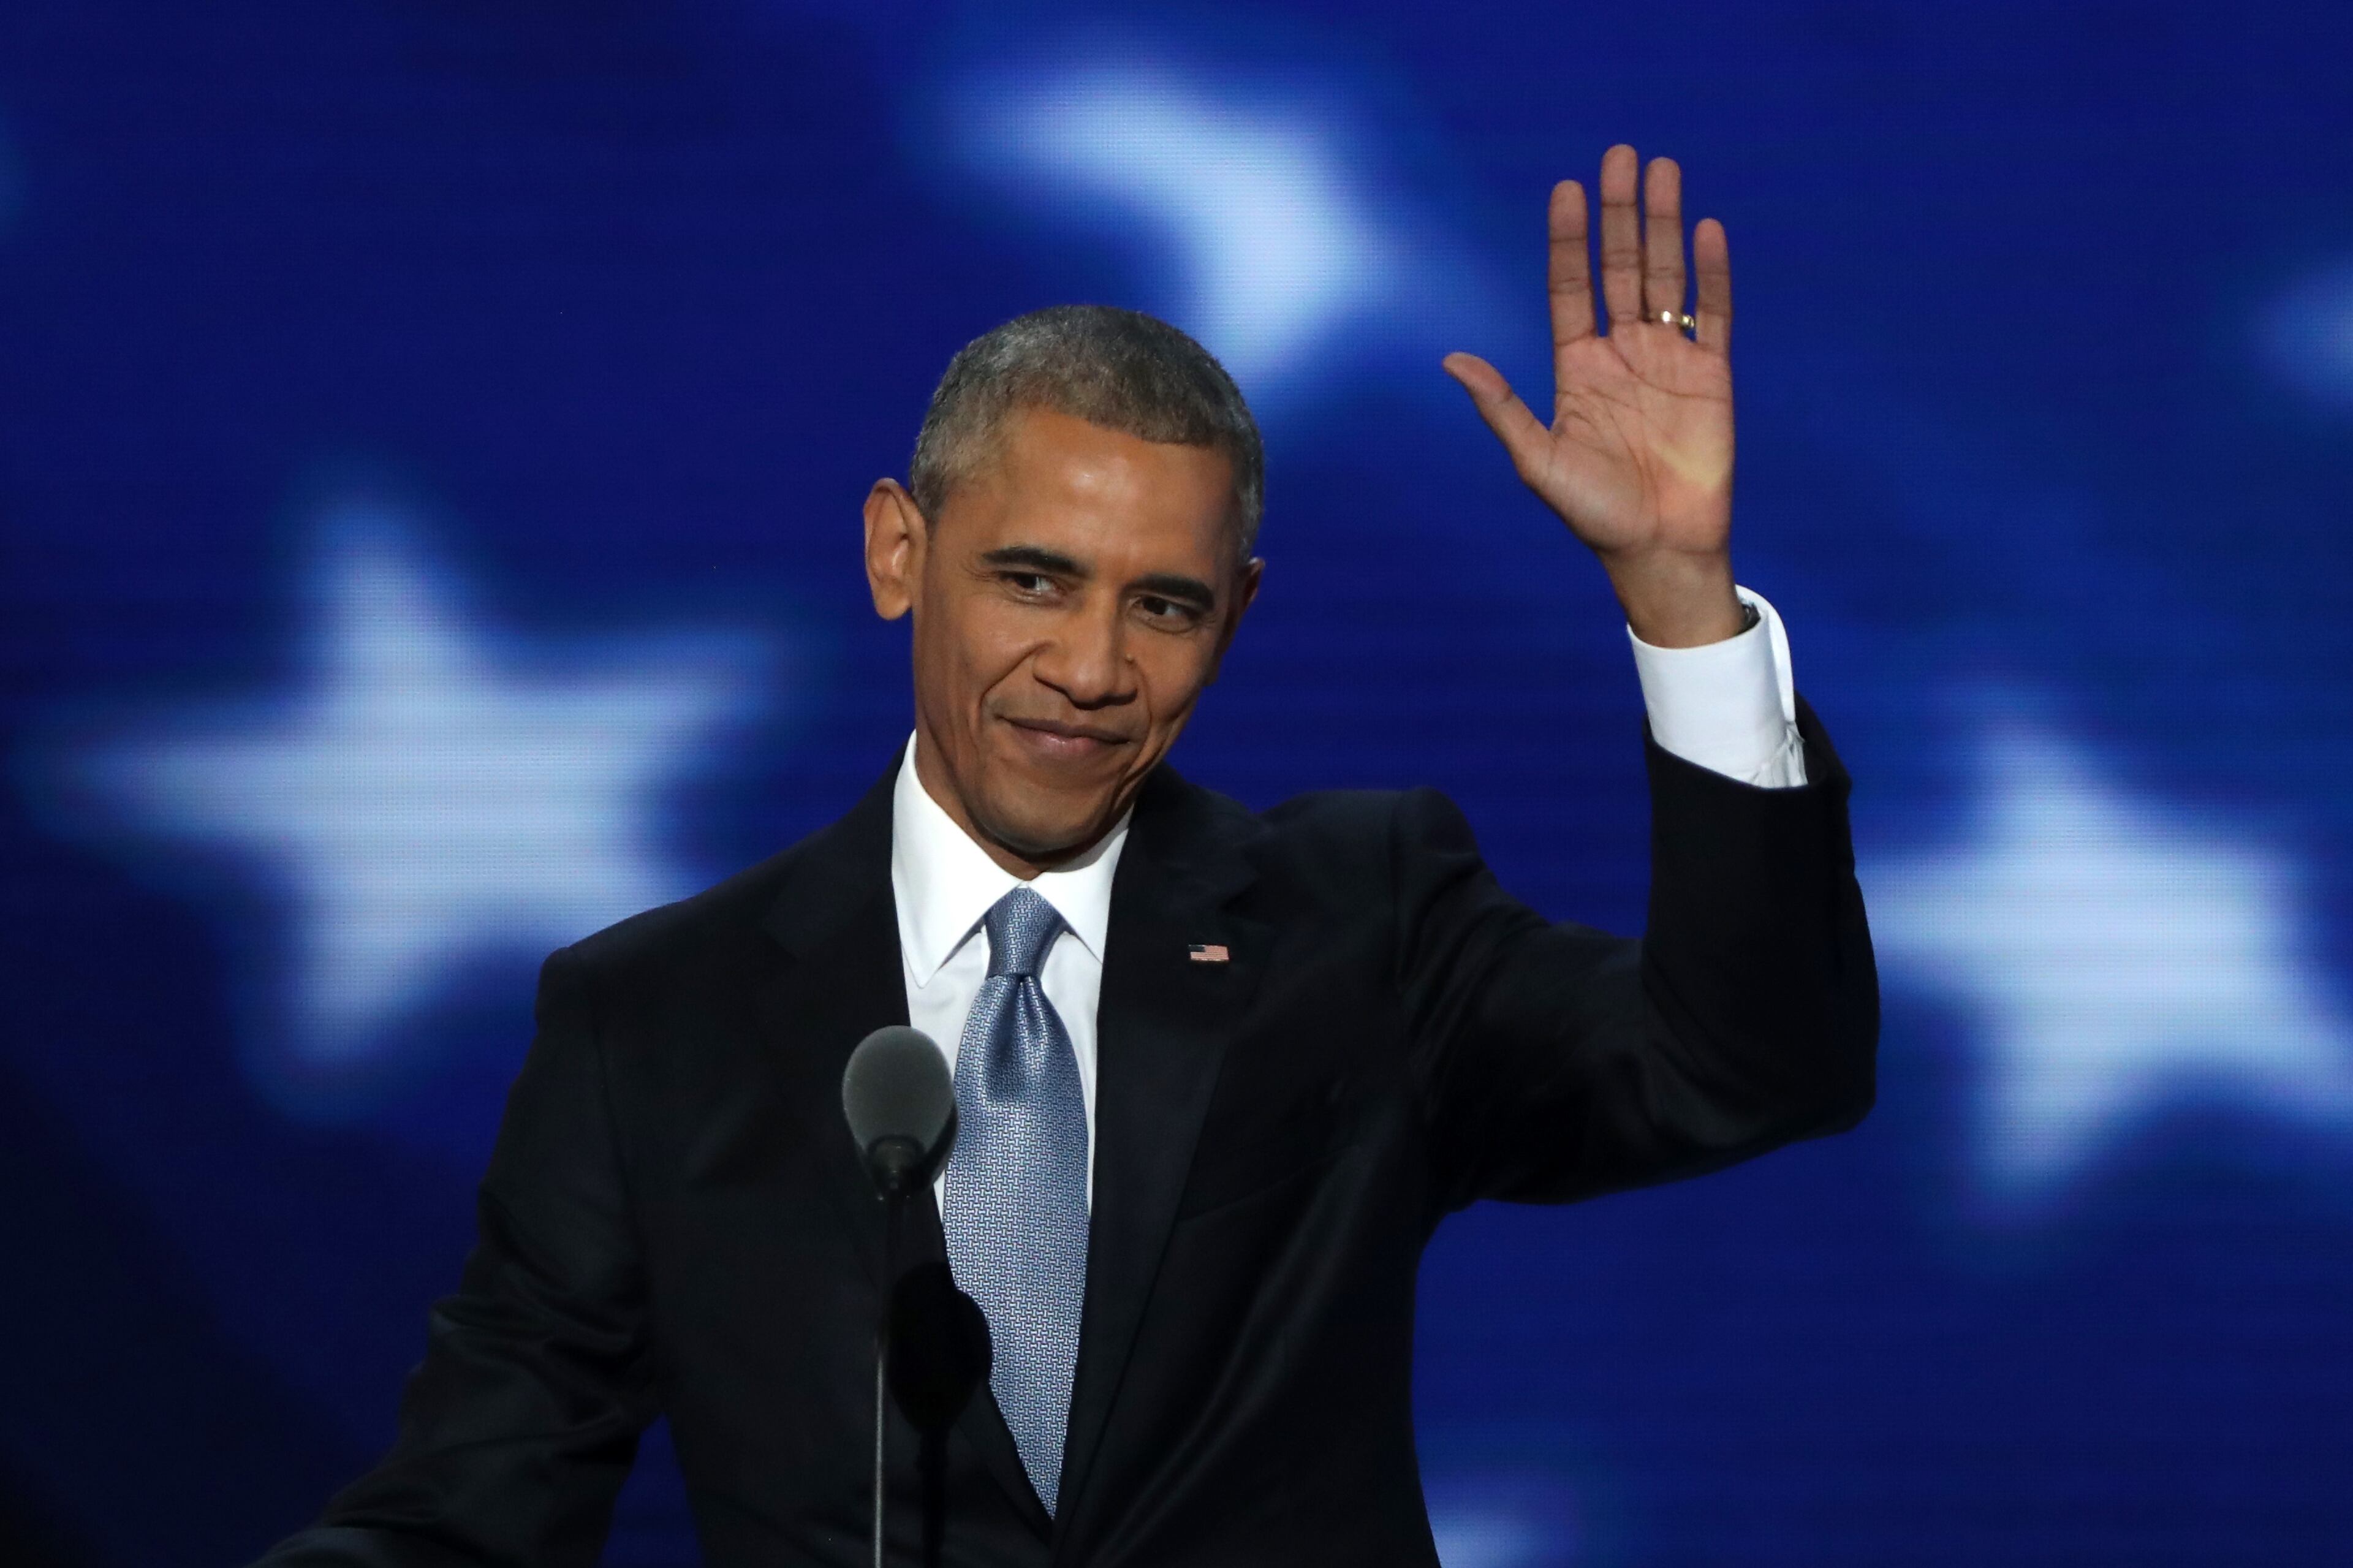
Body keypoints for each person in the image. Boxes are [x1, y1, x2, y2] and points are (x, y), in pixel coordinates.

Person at [255, 145, 1876, 1567]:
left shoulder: (1363, 917)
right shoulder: (652, 1024)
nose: (1094, 668)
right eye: (1033, 581)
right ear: (903, 553)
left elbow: (1751, 1069)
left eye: (1162, 604)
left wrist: (1677, 591)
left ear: (1234, 618)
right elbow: (470, 1510)